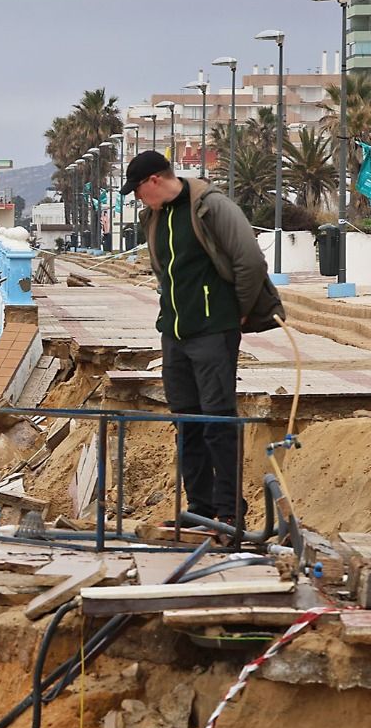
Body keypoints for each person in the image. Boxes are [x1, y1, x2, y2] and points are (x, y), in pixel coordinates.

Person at [120, 150, 284, 531]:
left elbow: (250, 262)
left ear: (154, 181)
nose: (138, 199)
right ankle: (199, 507)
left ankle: (229, 511)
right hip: (175, 333)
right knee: (186, 422)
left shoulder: (211, 207)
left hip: (213, 330)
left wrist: (237, 312)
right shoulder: (155, 217)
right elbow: (165, 272)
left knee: (217, 421)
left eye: (138, 191)